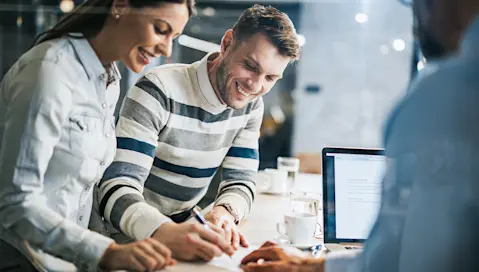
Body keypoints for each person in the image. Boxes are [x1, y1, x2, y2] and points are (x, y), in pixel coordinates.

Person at [240, 0, 479, 271]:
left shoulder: (447, 93)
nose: (418, 17)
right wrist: (312, 265)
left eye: (423, 4)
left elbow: (403, 256)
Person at [95, 4, 301, 262]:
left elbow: (241, 181)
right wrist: (166, 232)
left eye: (270, 78)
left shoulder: (251, 105)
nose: (255, 85)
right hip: (126, 244)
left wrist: (224, 213)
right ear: (227, 44)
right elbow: (116, 187)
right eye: (250, 66)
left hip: (183, 236)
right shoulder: (159, 89)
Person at [0, 0, 194, 271]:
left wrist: (111, 250)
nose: (167, 48)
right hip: (23, 258)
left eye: (174, 37)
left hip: (66, 260)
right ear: (121, 6)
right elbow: (15, 204)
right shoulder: (50, 71)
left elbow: (84, 189)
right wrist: (107, 252)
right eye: (160, 29)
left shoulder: (109, 80)